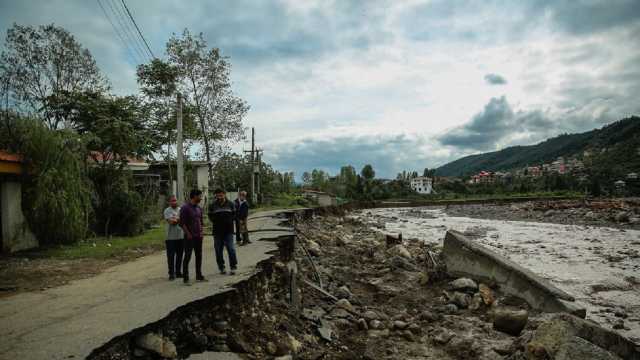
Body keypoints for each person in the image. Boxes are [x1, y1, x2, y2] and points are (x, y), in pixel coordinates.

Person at [208, 188, 238, 275]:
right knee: (218, 250)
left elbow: (235, 214)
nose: (219, 197)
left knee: (231, 248)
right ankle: (221, 267)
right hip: (217, 231)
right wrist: (216, 221)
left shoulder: (231, 204)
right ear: (215, 196)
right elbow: (210, 216)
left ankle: (233, 266)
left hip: (228, 230)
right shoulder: (212, 205)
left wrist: (229, 220)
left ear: (225, 194)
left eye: (221, 195)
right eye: (218, 195)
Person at [180, 189, 206, 285]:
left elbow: (201, 222)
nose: (201, 198)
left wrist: (202, 232)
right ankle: (186, 278)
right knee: (187, 256)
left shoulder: (199, 208)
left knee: (199, 256)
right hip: (190, 237)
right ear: (194, 196)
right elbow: (182, 223)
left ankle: (199, 275)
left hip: (199, 236)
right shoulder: (185, 208)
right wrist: (188, 234)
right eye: (199, 196)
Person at [163, 195, 184, 280]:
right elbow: (172, 222)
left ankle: (178, 272)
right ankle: (171, 273)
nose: (174, 202)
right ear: (169, 202)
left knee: (180, 255)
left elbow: (182, 220)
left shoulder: (181, 210)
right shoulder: (167, 211)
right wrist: (179, 218)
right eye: (172, 201)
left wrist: (176, 219)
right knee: (171, 256)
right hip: (170, 238)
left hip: (181, 236)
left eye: (175, 200)